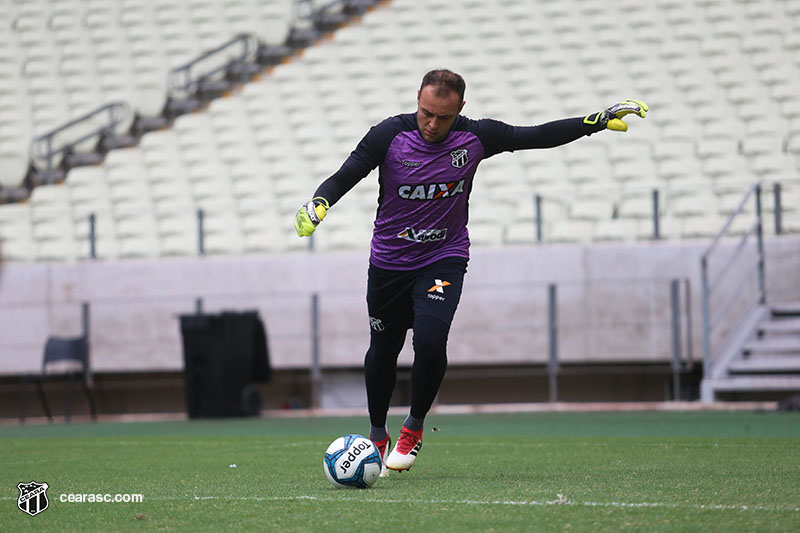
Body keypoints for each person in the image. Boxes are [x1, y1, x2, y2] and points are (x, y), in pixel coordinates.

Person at [295, 69, 647, 473]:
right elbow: (349, 172)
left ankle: (413, 427)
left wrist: (594, 122)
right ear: (417, 99)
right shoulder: (389, 135)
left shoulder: (476, 136)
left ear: (460, 108)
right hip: (390, 262)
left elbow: (535, 135)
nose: (432, 124)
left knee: (430, 341)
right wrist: (319, 202)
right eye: (426, 113)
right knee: (383, 350)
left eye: (443, 117)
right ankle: (377, 432)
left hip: (443, 257)